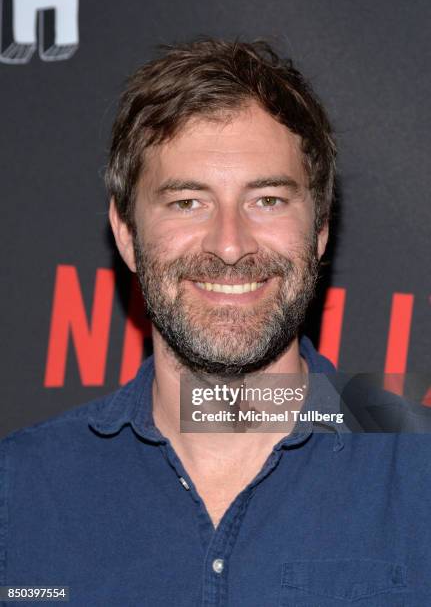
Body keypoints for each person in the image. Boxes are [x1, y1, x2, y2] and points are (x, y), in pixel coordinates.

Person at [1, 38, 429, 607]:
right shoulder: (19, 491)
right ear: (127, 234)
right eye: (187, 203)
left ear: (320, 228)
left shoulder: (417, 475)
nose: (230, 245)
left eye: (268, 200)